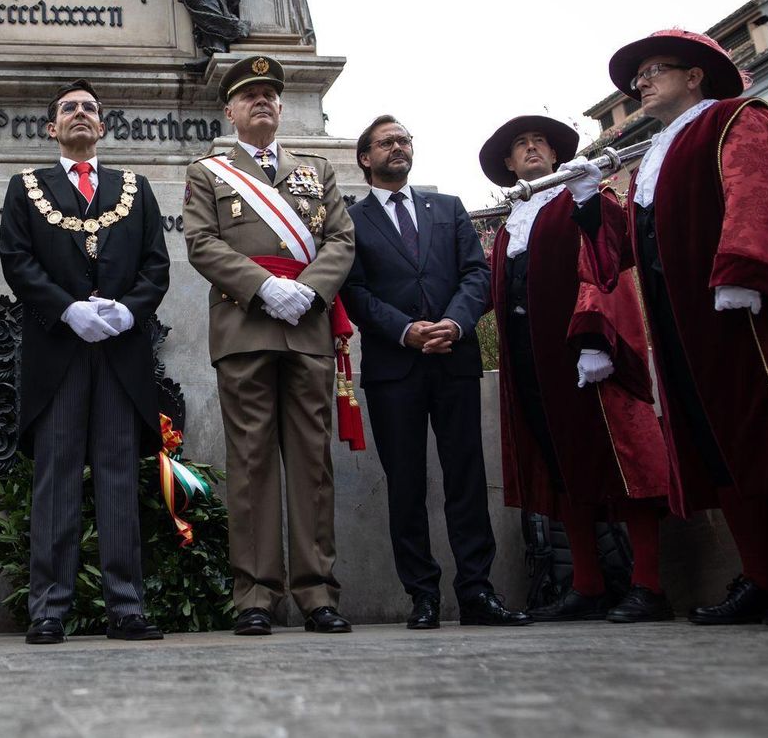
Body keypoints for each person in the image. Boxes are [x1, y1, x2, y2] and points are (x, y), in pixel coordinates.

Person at [564, 29, 768, 627]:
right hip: (681, 325)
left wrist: (743, 268)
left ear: (694, 74)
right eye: (636, 77)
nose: (639, 84)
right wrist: (591, 202)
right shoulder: (653, 157)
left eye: (652, 71)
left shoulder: (734, 119)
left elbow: (763, 192)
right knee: (716, 445)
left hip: (742, 310)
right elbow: (620, 252)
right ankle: (761, 579)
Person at [182, 55, 356, 636]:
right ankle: (255, 595)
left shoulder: (318, 170)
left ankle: (316, 592)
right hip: (245, 326)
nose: (261, 100)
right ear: (229, 110)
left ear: (282, 108)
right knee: (252, 463)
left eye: (270, 94)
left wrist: (305, 293)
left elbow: (340, 240)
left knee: (311, 462)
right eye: (248, 94)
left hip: (307, 327)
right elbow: (202, 243)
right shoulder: (208, 173)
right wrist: (262, 289)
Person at [478, 115, 676, 623]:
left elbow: (611, 256)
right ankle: (586, 585)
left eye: (537, 141)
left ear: (554, 152)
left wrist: (597, 337)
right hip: (532, 359)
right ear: (508, 163)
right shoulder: (511, 225)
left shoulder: (584, 196)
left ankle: (648, 585)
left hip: (588, 352)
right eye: (520, 145)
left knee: (621, 461)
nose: (530, 149)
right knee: (560, 466)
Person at [341, 115, 531, 629]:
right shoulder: (349, 220)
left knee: (466, 479)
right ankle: (421, 594)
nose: (399, 147)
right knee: (405, 484)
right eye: (387, 142)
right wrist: (406, 330)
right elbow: (353, 292)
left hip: (454, 360)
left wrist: (454, 322)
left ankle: (476, 592)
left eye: (404, 140)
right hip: (394, 369)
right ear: (365, 158)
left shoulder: (447, 209)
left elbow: (477, 272)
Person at [0, 79, 171, 644]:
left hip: (121, 353)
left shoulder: (136, 188)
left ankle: (126, 607)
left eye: (89, 109)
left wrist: (127, 313)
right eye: (68, 108)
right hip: (58, 353)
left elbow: (156, 265)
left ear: (103, 125)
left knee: (120, 475)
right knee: (57, 477)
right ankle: (49, 608)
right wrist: (68, 310)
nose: (79, 114)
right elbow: (17, 261)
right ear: (51, 127)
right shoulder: (25, 188)